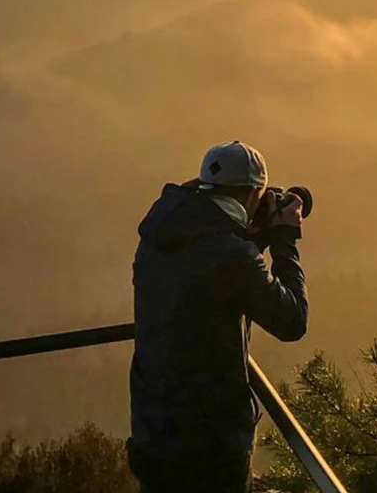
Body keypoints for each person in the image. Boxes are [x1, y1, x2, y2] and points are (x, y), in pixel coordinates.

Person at [127, 140, 308, 492]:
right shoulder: (231, 254)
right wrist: (285, 239)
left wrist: (255, 238)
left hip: (153, 432)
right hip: (209, 446)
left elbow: (212, 279)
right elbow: (292, 321)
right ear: (254, 193)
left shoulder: (160, 234)